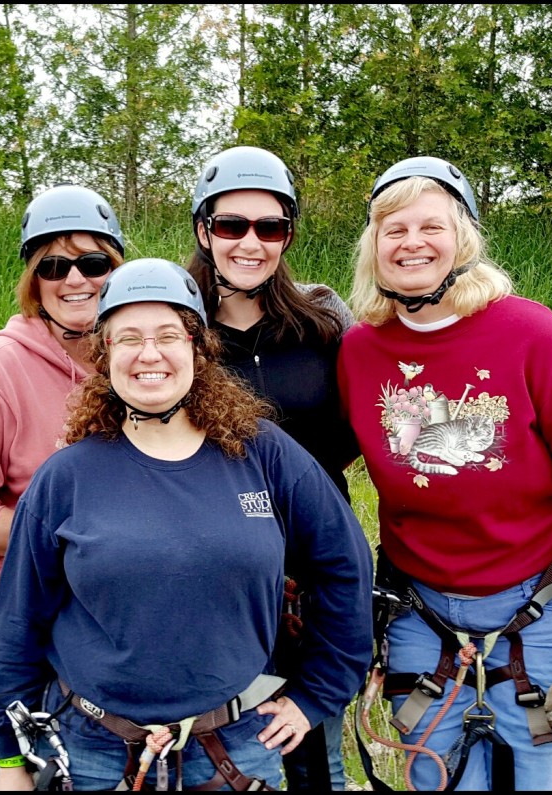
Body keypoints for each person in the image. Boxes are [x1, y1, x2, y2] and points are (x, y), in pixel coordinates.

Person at [0, 258, 374, 791]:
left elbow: (344, 565)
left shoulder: (264, 454)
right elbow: (18, 622)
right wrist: (10, 760)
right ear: (106, 353)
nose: (150, 354)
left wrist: (317, 696)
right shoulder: (67, 478)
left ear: (197, 348)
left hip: (235, 750)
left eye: (168, 335)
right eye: (129, 339)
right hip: (94, 752)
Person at [337, 156, 552, 791]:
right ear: (374, 247)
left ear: (464, 239)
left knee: (528, 768)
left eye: (432, 226)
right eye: (393, 230)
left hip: (537, 597)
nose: (412, 242)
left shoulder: (533, 336)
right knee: (432, 765)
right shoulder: (360, 351)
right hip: (420, 604)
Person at [0, 183, 126, 776]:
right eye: (54, 265)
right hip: (6, 609)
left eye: (93, 263)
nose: (76, 280)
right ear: (34, 280)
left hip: (96, 607)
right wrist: (75, 532)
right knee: (29, 774)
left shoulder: (131, 362)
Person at [187, 145, 360, 790]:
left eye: (271, 227)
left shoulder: (322, 320)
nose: (250, 243)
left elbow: (360, 423)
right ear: (205, 230)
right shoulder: (180, 331)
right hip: (221, 567)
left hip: (316, 563)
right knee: (225, 748)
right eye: (232, 225)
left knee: (315, 747)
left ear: (288, 234)